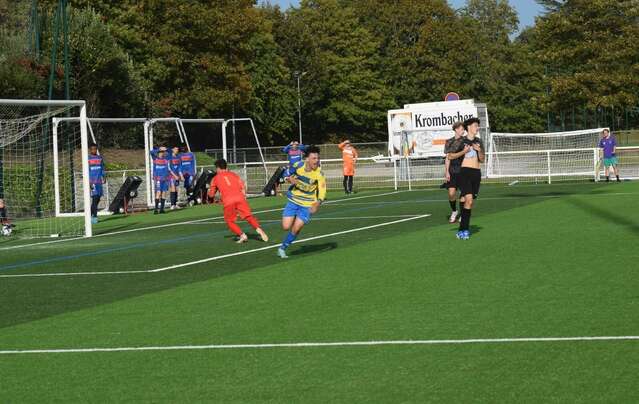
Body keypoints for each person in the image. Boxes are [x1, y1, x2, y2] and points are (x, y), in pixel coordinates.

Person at [278, 145, 326, 259]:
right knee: (285, 227)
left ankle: (282, 248)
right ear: (307, 159)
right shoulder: (298, 165)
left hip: (307, 204)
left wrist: (317, 203)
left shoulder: (319, 174)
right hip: (293, 201)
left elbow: (323, 191)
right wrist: (288, 179)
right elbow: (285, 175)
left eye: (317, 158)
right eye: (314, 158)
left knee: (297, 228)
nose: (317, 161)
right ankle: (294, 220)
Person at [208, 159, 268, 243]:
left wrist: (209, 191)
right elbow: (243, 187)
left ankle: (242, 235)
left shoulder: (215, 178)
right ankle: (259, 229)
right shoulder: (234, 175)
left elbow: (211, 195)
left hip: (228, 200)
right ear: (226, 166)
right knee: (248, 216)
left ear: (218, 168)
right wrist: (243, 196)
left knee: (230, 221)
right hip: (240, 198)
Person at [456, 117, 484, 240]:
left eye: (478, 126)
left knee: (465, 200)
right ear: (468, 127)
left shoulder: (478, 141)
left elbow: (482, 159)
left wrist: (479, 151)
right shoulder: (461, 142)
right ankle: (465, 230)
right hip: (464, 172)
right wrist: (464, 151)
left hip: (476, 173)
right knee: (469, 201)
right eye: (475, 125)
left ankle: (461, 229)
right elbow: (450, 156)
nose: (477, 128)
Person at [444, 122, 466, 223]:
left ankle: (463, 214)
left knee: (463, 194)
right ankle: (454, 211)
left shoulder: (465, 141)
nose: (463, 130)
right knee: (451, 193)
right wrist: (447, 172)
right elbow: (448, 158)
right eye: (462, 129)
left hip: (463, 170)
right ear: (456, 129)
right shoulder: (448, 141)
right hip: (452, 171)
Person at [150, 146, 173, 214]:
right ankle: (156, 209)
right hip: (158, 179)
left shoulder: (166, 159)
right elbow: (151, 152)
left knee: (164, 193)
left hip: (165, 179)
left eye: (162, 152)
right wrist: (159, 149)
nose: (161, 154)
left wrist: (166, 148)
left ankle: (162, 209)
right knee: (158, 193)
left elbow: (171, 152)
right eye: (160, 153)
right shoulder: (155, 159)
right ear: (158, 153)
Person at [88, 143, 106, 224]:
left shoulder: (100, 158)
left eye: (95, 149)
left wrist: (104, 176)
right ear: (90, 150)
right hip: (93, 182)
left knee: (98, 199)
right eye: (92, 149)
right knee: (95, 199)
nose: (94, 150)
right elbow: (87, 171)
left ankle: (91, 213)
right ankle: (94, 217)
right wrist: (89, 182)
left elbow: (102, 168)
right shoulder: (88, 159)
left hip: (99, 182)